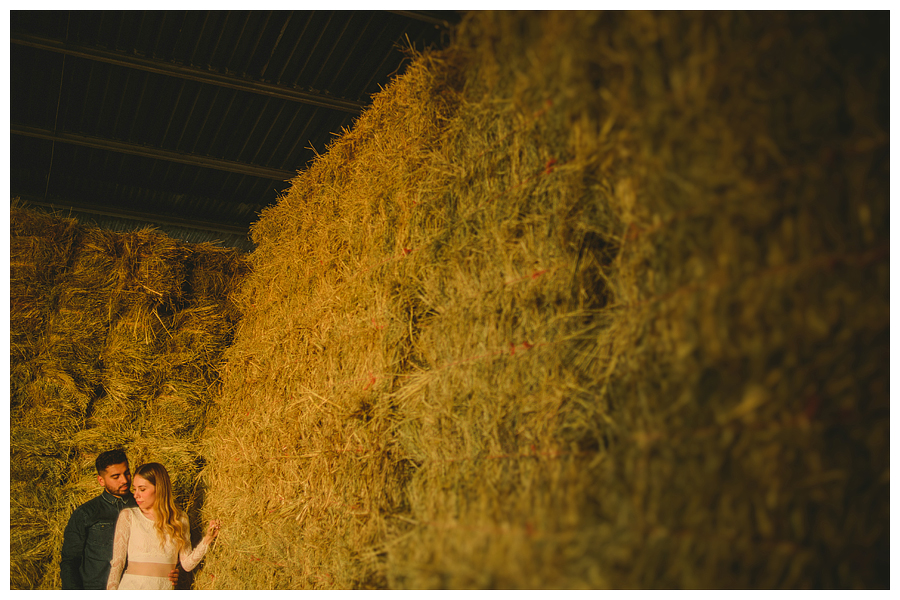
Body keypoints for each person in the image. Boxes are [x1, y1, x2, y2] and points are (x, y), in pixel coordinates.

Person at [60, 449, 181, 589]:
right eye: (116, 476)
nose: (124, 480)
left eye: (127, 473)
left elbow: (166, 546)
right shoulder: (86, 513)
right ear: (101, 480)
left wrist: (172, 570)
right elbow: (70, 562)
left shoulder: (147, 508)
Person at [107, 462, 220, 590]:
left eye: (142, 489)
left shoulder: (180, 519)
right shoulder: (129, 516)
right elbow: (118, 562)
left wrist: (207, 540)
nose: (136, 495)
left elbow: (187, 564)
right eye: (135, 489)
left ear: (159, 488)